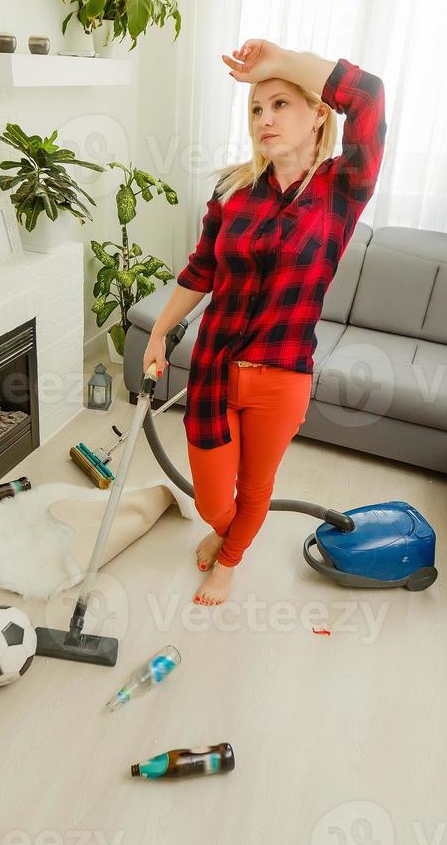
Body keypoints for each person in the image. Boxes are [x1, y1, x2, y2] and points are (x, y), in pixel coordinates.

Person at [144, 39, 387, 606]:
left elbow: (369, 95)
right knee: (211, 499)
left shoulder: (340, 191)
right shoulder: (231, 192)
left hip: (281, 376)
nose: (265, 119)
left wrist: (279, 62)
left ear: (317, 114)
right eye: (256, 109)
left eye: (280, 104)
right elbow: (199, 271)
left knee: (255, 488)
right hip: (212, 368)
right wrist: (158, 331)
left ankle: (229, 560)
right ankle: (224, 529)